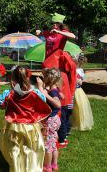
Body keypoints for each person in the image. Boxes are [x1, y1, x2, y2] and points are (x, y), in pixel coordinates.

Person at [0, 66, 52, 172]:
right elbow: (44, 99)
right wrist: (40, 87)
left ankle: (16, 167)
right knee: (30, 148)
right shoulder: (35, 93)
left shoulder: (9, 94)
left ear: (13, 80)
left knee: (15, 148)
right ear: (28, 78)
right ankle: (30, 168)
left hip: (14, 126)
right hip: (31, 126)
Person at [37, 13, 77, 148]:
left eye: (56, 23)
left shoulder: (62, 33)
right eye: (52, 23)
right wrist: (39, 32)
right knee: (47, 90)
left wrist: (59, 31)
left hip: (56, 64)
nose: (53, 25)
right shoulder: (49, 33)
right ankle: (49, 121)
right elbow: (42, 34)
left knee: (55, 90)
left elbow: (73, 36)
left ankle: (60, 128)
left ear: (60, 24)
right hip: (47, 64)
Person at [37, 68, 62, 172]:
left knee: (48, 145)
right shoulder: (54, 88)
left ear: (49, 79)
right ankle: (54, 165)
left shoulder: (53, 92)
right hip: (55, 119)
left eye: (45, 77)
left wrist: (44, 92)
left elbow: (58, 104)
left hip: (50, 121)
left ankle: (47, 167)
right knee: (53, 144)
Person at [71, 54, 94, 131]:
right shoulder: (81, 70)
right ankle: (78, 122)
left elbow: (79, 81)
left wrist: (77, 80)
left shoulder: (76, 71)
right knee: (79, 107)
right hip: (79, 90)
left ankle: (79, 123)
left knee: (77, 107)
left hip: (76, 90)